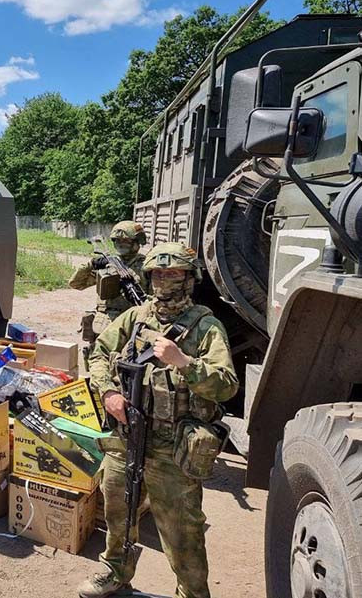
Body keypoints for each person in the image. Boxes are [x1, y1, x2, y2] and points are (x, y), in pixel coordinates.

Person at [78, 242, 238, 598]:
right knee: (118, 510)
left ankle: (193, 591)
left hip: (173, 447)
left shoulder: (205, 327)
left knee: (182, 531)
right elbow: (100, 352)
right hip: (128, 435)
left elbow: (227, 386)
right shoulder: (136, 318)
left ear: (189, 277)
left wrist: (184, 362)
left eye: (174, 273)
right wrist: (108, 392)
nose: (165, 280)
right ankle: (115, 570)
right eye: (158, 274)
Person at [69, 221, 149, 364]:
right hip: (104, 325)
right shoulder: (108, 263)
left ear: (138, 241)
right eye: (118, 240)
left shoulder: (146, 266)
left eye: (126, 240)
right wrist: (91, 265)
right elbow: (76, 284)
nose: (121, 243)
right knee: (98, 363)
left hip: (131, 326)